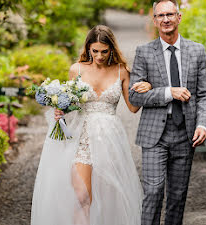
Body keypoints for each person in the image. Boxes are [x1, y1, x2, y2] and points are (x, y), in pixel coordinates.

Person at [31, 25, 151, 225]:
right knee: (82, 196)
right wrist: (60, 109)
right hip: (82, 137)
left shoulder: (122, 71)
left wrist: (145, 87)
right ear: (88, 48)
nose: (99, 56)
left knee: (108, 195)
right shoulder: (76, 69)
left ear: (111, 49)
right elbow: (72, 103)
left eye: (104, 51)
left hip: (110, 138)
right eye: (95, 51)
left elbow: (133, 108)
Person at [129, 0, 206, 225]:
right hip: (154, 135)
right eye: (160, 15)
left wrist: (202, 124)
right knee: (154, 192)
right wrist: (169, 92)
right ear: (154, 21)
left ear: (179, 17)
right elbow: (134, 95)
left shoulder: (197, 51)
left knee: (177, 197)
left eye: (169, 14)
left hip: (185, 135)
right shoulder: (144, 53)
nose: (166, 19)